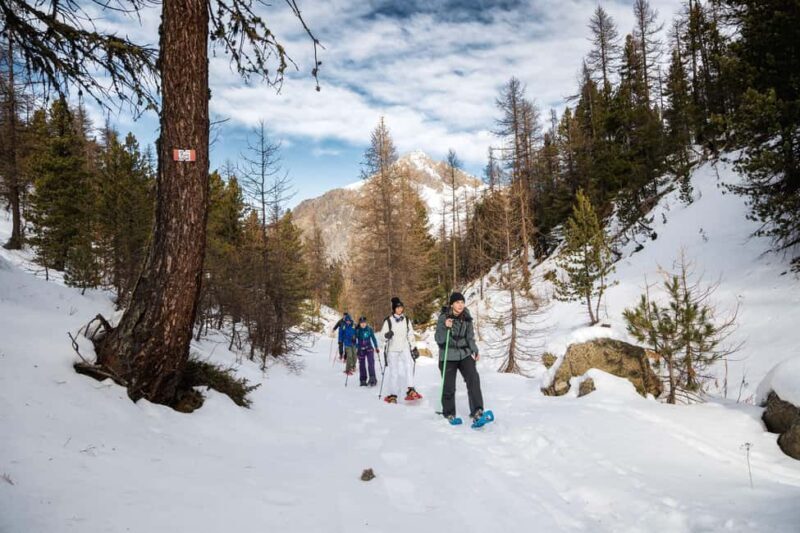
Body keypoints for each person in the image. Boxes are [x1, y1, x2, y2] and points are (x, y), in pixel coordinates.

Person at [434, 292, 485, 423]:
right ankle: (449, 413)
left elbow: (470, 337)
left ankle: (477, 411)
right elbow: (439, 339)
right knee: (449, 386)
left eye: (462, 302)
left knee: (473, 378)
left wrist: (474, 350)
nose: (460, 305)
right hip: (448, 355)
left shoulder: (467, 316)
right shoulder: (443, 317)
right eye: (457, 302)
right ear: (452, 304)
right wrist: (446, 327)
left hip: (464, 353)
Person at [379, 297, 422, 403]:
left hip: (404, 347)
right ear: (394, 309)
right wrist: (387, 335)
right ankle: (393, 395)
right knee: (394, 372)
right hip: (392, 349)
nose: (399, 309)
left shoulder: (406, 320)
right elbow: (381, 336)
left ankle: (411, 389)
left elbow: (410, 334)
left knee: (409, 366)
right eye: (397, 308)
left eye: (401, 307)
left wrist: (414, 347)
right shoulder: (388, 321)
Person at [355, 316, 379, 387]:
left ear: (366, 323)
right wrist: (356, 345)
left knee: (371, 363)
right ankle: (363, 380)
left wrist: (376, 347)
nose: (363, 324)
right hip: (361, 349)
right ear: (359, 323)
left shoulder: (369, 329)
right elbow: (355, 340)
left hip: (369, 348)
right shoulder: (357, 330)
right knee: (362, 365)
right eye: (361, 323)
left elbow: (373, 338)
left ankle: (372, 378)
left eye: (364, 323)